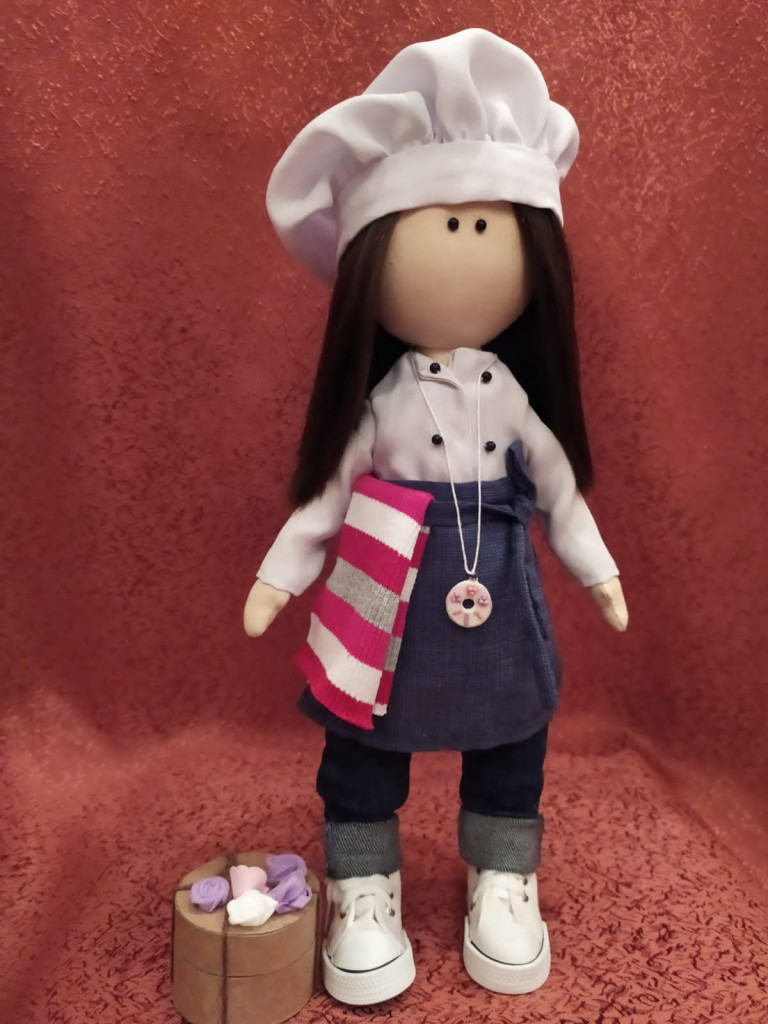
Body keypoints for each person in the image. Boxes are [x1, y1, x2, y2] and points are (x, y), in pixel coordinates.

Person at [244, 28, 628, 1006]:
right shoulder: (380, 407)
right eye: (442, 221)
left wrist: (599, 570)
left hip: (495, 585)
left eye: (487, 224)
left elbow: (561, 494)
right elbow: (326, 497)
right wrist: (279, 575)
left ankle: (503, 875)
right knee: (362, 734)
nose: (466, 241)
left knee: (512, 732)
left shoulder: (516, 402)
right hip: (383, 589)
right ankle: (363, 883)